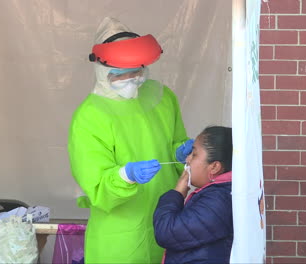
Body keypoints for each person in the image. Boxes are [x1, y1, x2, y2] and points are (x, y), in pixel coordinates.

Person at [68, 17, 193, 263]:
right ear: (102, 70)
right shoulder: (90, 116)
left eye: (137, 71)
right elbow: (98, 186)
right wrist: (126, 176)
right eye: (121, 74)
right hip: (120, 235)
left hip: (167, 221)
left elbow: (175, 143)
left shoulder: (162, 97)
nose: (132, 79)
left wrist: (182, 154)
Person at [153, 126, 234, 264]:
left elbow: (166, 232)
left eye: (194, 154)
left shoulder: (218, 200)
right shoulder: (221, 193)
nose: (187, 160)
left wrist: (177, 193)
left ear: (214, 167)